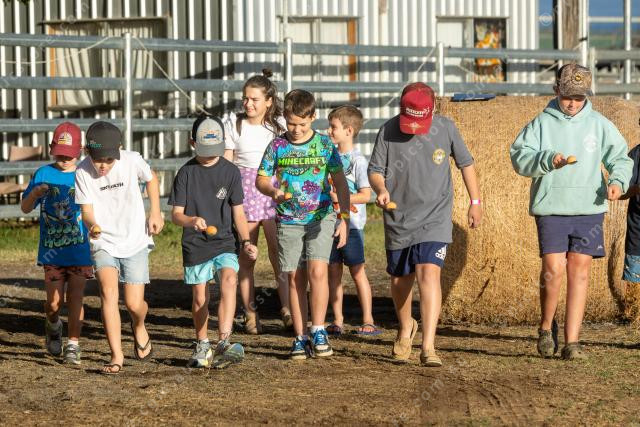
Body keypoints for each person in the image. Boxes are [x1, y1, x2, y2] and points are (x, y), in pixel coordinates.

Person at [510, 64, 633, 360]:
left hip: (588, 208)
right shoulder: (541, 124)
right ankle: (545, 327)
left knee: (580, 270)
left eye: (579, 98)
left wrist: (617, 181)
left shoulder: (599, 124)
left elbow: (620, 157)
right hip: (552, 207)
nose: (573, 103)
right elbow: (520, 157)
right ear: (556, 91)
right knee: (553, 269)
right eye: (567, 96)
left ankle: (572, 341)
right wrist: (547, 160)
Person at [368, 82, 482, 367]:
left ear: (431, 112)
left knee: (428, 273)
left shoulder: (446, 128)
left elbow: (466, 164)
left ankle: (428, 346)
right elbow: (375, 170)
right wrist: (381, 189)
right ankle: (406, 326)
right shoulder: (387, 130)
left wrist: (475, 201)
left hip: (435, 216)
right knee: (400, 280)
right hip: (399, 218)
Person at [256, 89, 351, 360]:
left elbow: (340, 183)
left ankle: (318, 329)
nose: (296, 130)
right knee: (294, 277)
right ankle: (300, 336)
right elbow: (261, 179)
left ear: (312, 117)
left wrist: (344, 218)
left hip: (321, 217)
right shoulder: (277, 146)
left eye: (302, 124)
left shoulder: (324, 145)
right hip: (288, 220)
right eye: (291, 124)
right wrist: (272, 191)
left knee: (318, 272)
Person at [74, 121, 164, 375]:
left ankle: (139, 325)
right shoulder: (82, 172)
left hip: (134, 238)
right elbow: (87, 211)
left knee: (134, 304)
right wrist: (92, 226)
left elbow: (151, 179)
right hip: (104, 241)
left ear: (119, 150)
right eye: (97, 159)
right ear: (87, 152)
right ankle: (116, 355)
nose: (103, 165)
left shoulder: (132, 160)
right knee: (108, 292)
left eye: (109, 160)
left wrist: (155, 211)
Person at [169, 116, 258, 368]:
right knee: (200, 297)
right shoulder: (186, 173)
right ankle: (202, 342)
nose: (210, 156)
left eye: (215, 150)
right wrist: (191, 220)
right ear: (192, 144)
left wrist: (246, 241)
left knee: (229, 279)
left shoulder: (230, 172)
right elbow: (176, 215)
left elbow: (238, 213)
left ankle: (224, 341)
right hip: (195, 243)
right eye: (205, 150)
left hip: (224, 242)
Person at [222, 69, 291, 333]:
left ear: (269, 101)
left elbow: (286, 160)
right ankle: (250, 313)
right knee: (247, 255)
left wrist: (284, 189)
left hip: (273, 190)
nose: (248, 104)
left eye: (254, 99)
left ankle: (287, 309)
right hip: (245, 192)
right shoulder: (234, 124)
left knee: (278, 253)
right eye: (245, 98)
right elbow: (228, 162)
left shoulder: (280, 125)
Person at [21, 122, 93, 365]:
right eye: (60, 154)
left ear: (80, 151)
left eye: (69, 155)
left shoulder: (86, 173)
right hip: (52, 252)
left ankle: (73, 344)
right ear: (52, 149)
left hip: (81, 249)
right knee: (53, 303)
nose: (64, 159)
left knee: (76, 297)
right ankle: (53, 325)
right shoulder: (43, 173)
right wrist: (34, 194)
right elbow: (25, 207)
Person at [324, 105, 380, 337]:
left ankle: (368, 319)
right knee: (333, 273)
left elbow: (366, 195)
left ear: (348, 131)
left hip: (352, 226)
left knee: (357, 272)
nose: (328, 131)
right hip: (329, 225)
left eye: (333, 127)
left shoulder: (358, 161)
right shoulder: (328, 157)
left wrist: (340, 197)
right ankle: (337, 319)